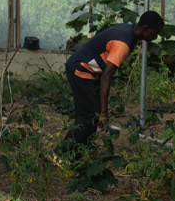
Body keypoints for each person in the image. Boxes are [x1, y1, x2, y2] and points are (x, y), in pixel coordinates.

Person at [66, 9, 164, 146]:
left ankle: (81, 150)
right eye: (155, 33)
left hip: (87, 70)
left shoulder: (128, 30)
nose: (155, 37)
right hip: (81, 70)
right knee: (91, 116)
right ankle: (63, 151)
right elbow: (106, 77)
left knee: (91, 114)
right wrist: (104, 112)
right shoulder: (123, 44)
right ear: (146, 28)